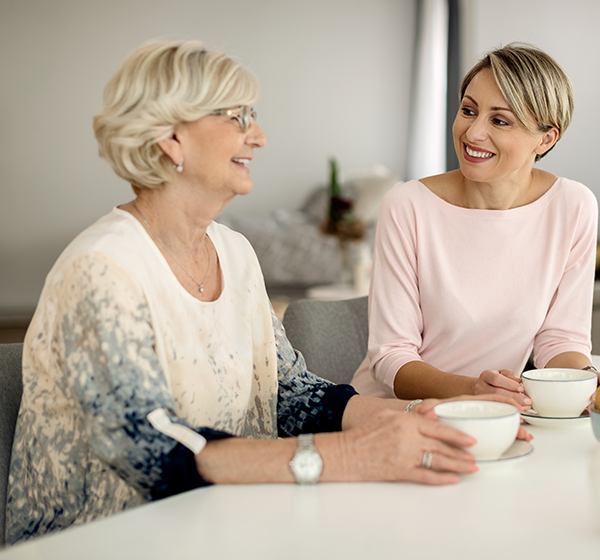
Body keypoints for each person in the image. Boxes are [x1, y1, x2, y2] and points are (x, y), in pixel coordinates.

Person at [5, 40, 528, 546]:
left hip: (229, 522)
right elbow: (156, 452)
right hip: (109, 540)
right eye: (237, 117)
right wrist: (350, 456)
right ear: (170, 139)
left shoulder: (234, 252)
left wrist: (433, 417)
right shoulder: (103, 270)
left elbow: (289, 393)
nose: (258, 136)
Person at [351, 43, 600, 407]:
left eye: (499, 120)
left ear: (546, 138)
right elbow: (390, 358)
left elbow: (561, 340)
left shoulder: (573, 206)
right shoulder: (407, 205)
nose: (472, 133)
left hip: (493, 413)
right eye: (468, 110)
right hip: (396, 411)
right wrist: (472, 389)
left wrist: (575, 381)